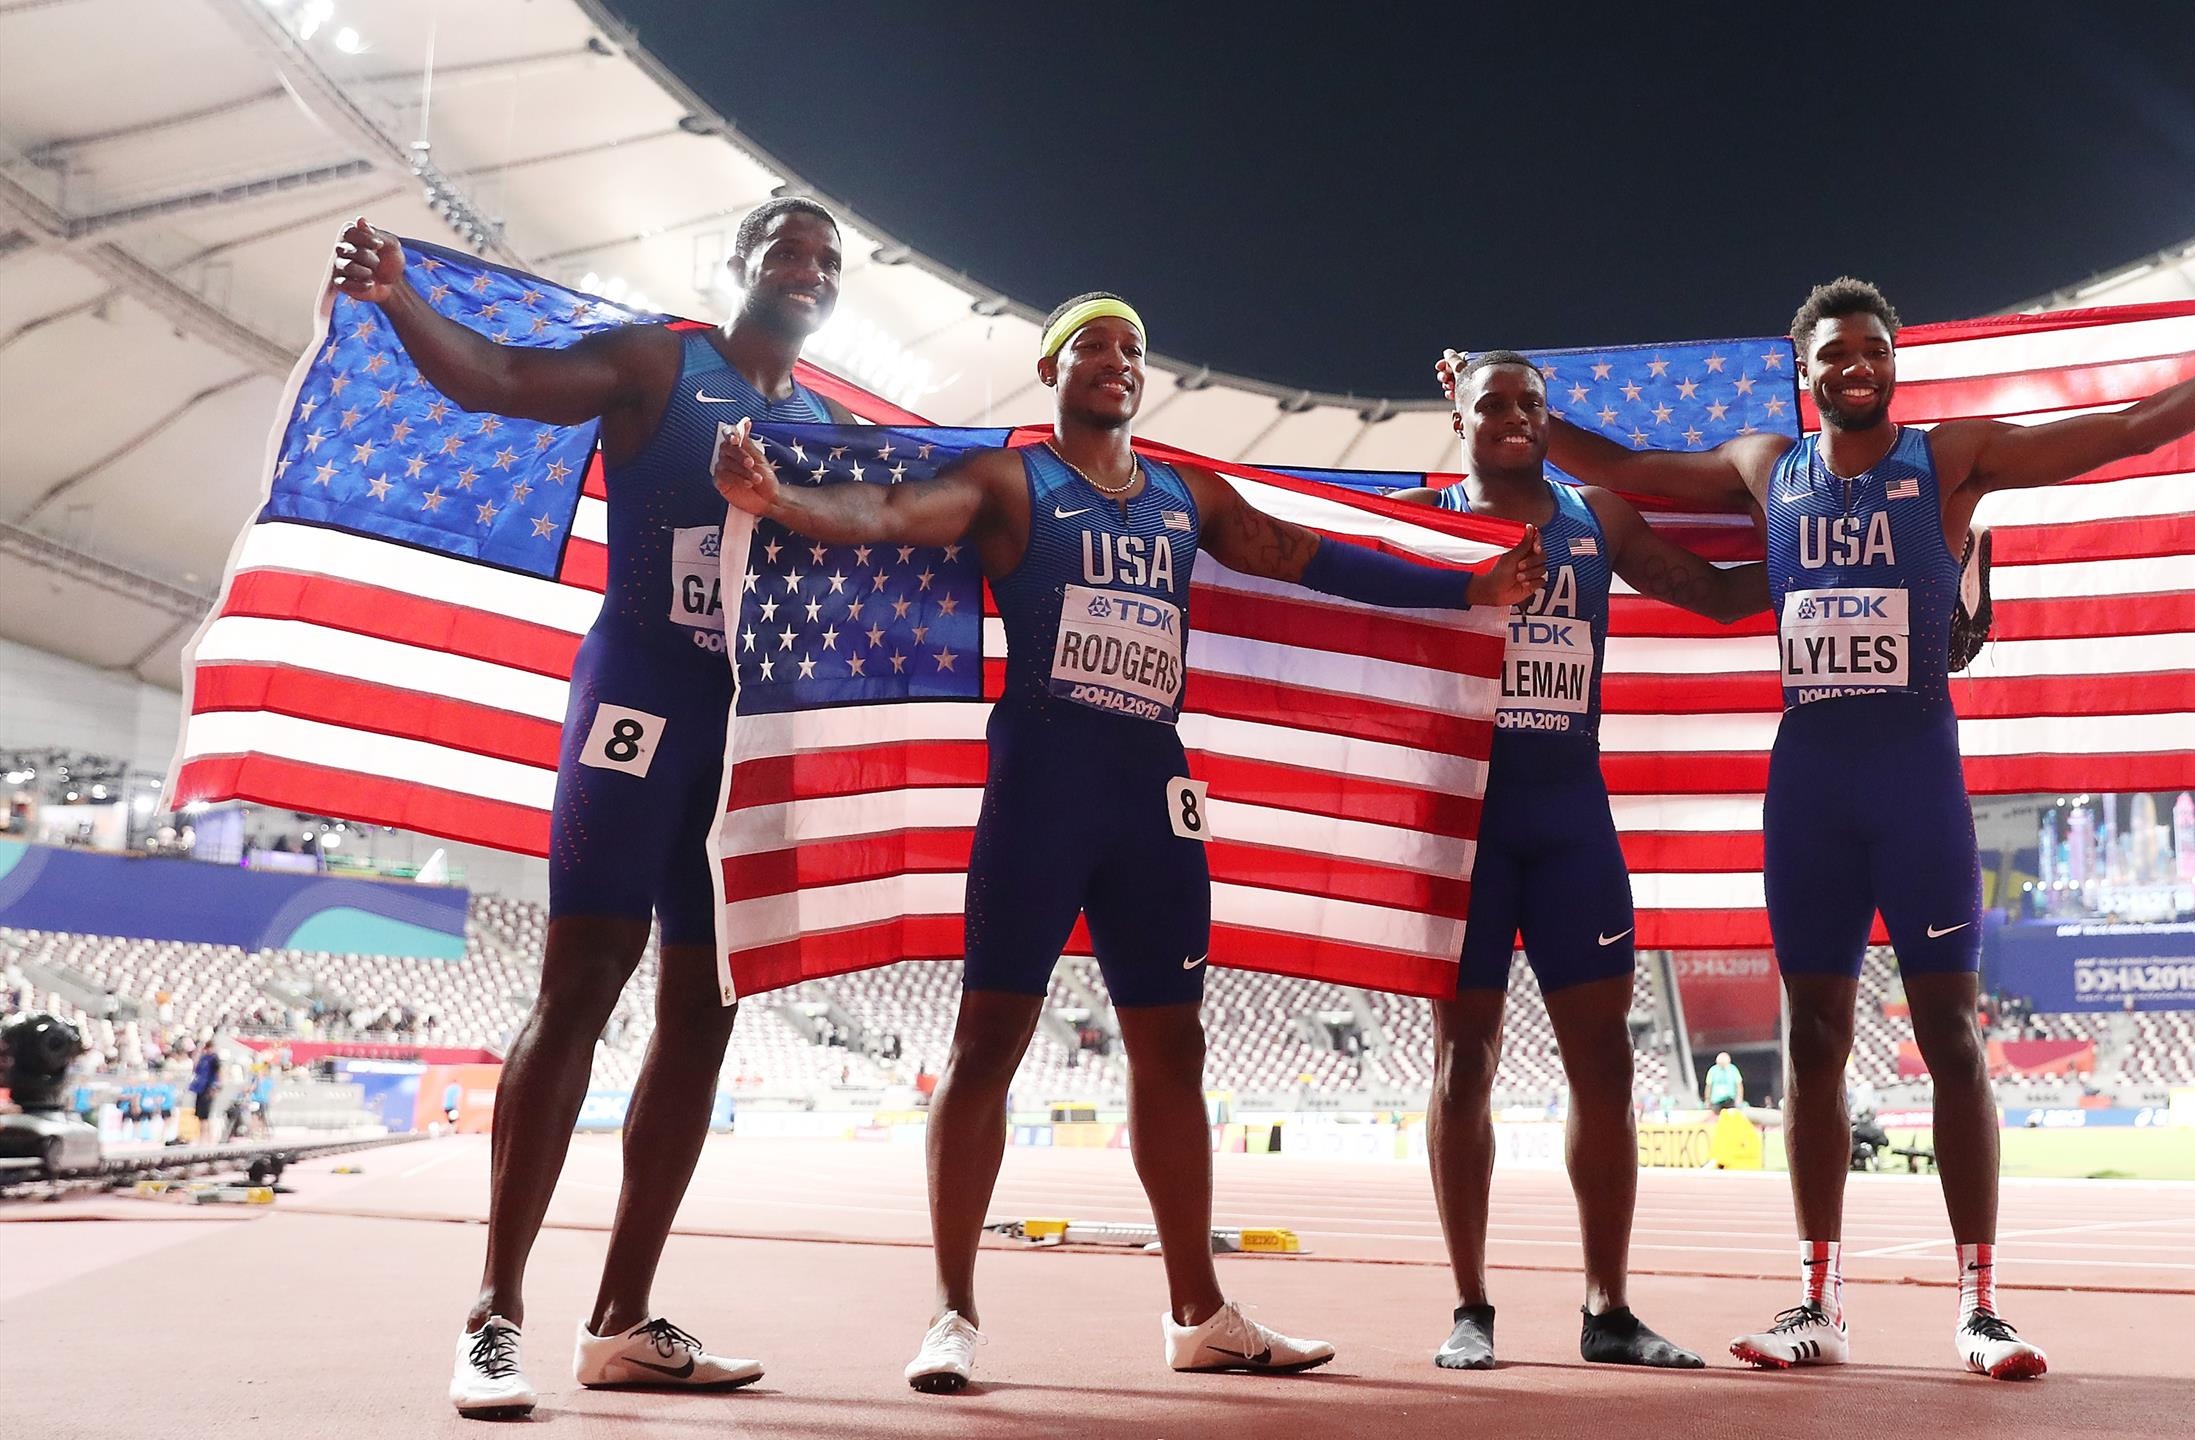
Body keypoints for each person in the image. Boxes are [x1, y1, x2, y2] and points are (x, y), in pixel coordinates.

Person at [1447, 280, 2195, 1381]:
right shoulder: (1760, 467)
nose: (1855, 366)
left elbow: (2125, 430)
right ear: (1808, 369)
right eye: (1834, 353)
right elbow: (1622, 469)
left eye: (1872, 349)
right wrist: (1504, 412)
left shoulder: (1949, 459)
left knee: (1950, 1040)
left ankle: (1979, 1307)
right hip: (1809, 787)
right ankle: (1815, 1301)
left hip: (1916, 779)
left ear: (1893, 362)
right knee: (1814, 1044)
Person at [712, 292, 1544, 1392]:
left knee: (1177, 1049)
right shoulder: (1016, 483)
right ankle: (952, 1311)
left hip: (1153, 791)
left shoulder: (1184, 494)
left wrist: (1464, 589)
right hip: (1042, 790)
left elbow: (1302, 556)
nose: (1118, 362)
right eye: (1093, 346)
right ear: (1052, 370)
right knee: (985, 1044)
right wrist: (783, 504)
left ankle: (1197, 1311)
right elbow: (891, 513)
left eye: (1132, 350)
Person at [334, 198, 862, 1418]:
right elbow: (501, 379)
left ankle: (621, 1319)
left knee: (706, 1013)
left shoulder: (828, 428)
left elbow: (879, 550)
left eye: (827, 259)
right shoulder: (659, 362)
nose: (807, 267)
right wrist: (403, 297)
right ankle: (492, 1318)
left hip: (747, 735)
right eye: (786, 246)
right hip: (639, 696)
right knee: (579, 987)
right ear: (736, 265)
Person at [1385, 351, 1764, 1372]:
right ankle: (1470, 1306)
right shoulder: (1421, 520)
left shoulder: (1598, 516)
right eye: (1491, 403)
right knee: (1463, 1060)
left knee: (1603, 1062)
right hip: (1461, 821)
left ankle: (1608, 1311)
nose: (1514, 417)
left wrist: (1841, 560)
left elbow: (1720, 598)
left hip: (1567, 813)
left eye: (1531, 404)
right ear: (1455, 416)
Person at [187, 1046, 219, 1145]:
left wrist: (214, 1088)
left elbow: (218, 1073)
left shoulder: (213, 1060)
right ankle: (203, 1137)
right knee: (200, 1116)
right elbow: (195, 1070)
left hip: (207, 1090)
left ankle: (207, 1138)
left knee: (205, 1117)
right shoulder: (202, 1059)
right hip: (201, 1090)